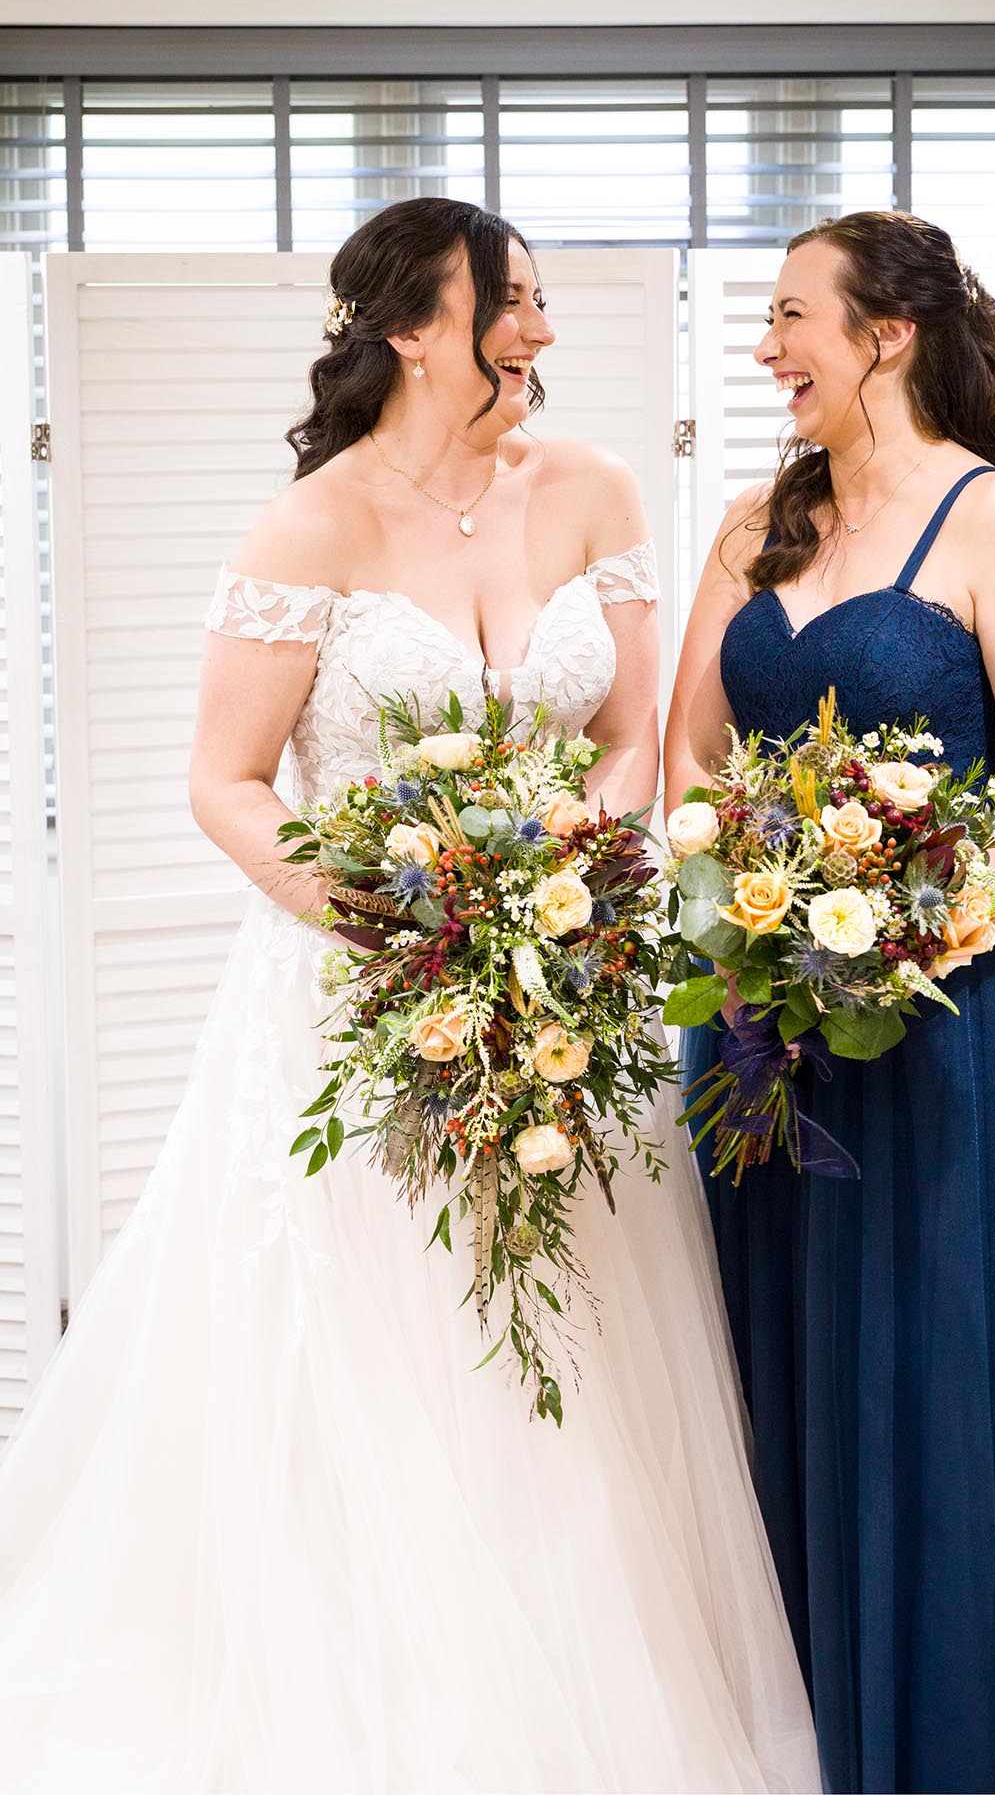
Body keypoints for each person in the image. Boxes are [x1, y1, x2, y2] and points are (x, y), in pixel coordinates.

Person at [0, 198, 820, 1795]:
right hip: (363, 1009)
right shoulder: (311, 526)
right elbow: (228, 784)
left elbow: (635, 736)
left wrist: (575, 873)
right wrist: (383, 918)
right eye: (512, 303)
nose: (544, 331)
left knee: (577, 1356)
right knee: (383, 1355)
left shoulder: (589, 488)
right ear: (410, 326)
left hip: (561, 995)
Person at [667, 211, 995, 1795]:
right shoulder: (755, 520)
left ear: (886, 334)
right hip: (759, 1018)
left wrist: (896, 941)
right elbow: (690, 752)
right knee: (771, 1370)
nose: (768, 347)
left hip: (944, 1021)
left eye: (791, 316)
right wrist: (758, 926)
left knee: (929, 1376)